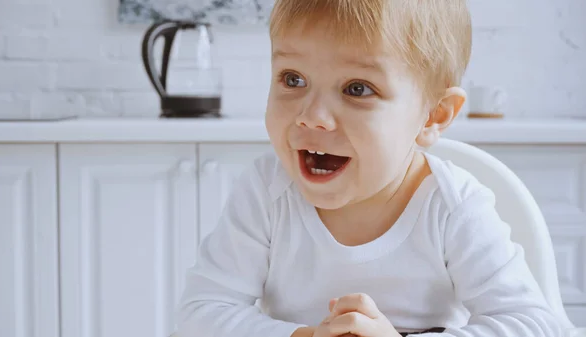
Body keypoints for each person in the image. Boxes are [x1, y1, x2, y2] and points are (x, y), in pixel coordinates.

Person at [175, 0, 564, 336]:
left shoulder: (452, 205)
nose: (313, 117)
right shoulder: (266, 189)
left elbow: (531, 324)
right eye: (293, 79)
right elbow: (201, 312)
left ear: (433, 116)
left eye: (357, 89)